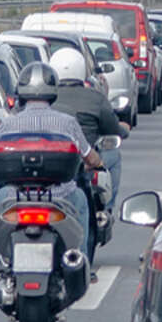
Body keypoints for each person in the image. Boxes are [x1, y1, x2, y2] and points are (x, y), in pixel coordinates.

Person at [0, 62, 101, 265]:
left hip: (14, 196)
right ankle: (80, 262)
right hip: (62, 196)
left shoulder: (9, 122)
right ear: (53, 91)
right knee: (81, 201)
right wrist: (97, 162)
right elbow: (90, 157)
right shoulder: (67, 122)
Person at [47, 48, 129, 210]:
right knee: (113, 156)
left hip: (46, 164)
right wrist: (123, 129)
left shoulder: (44, 98)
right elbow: (112, 128)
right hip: (82, 162)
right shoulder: (95, 98)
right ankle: (105, 211)